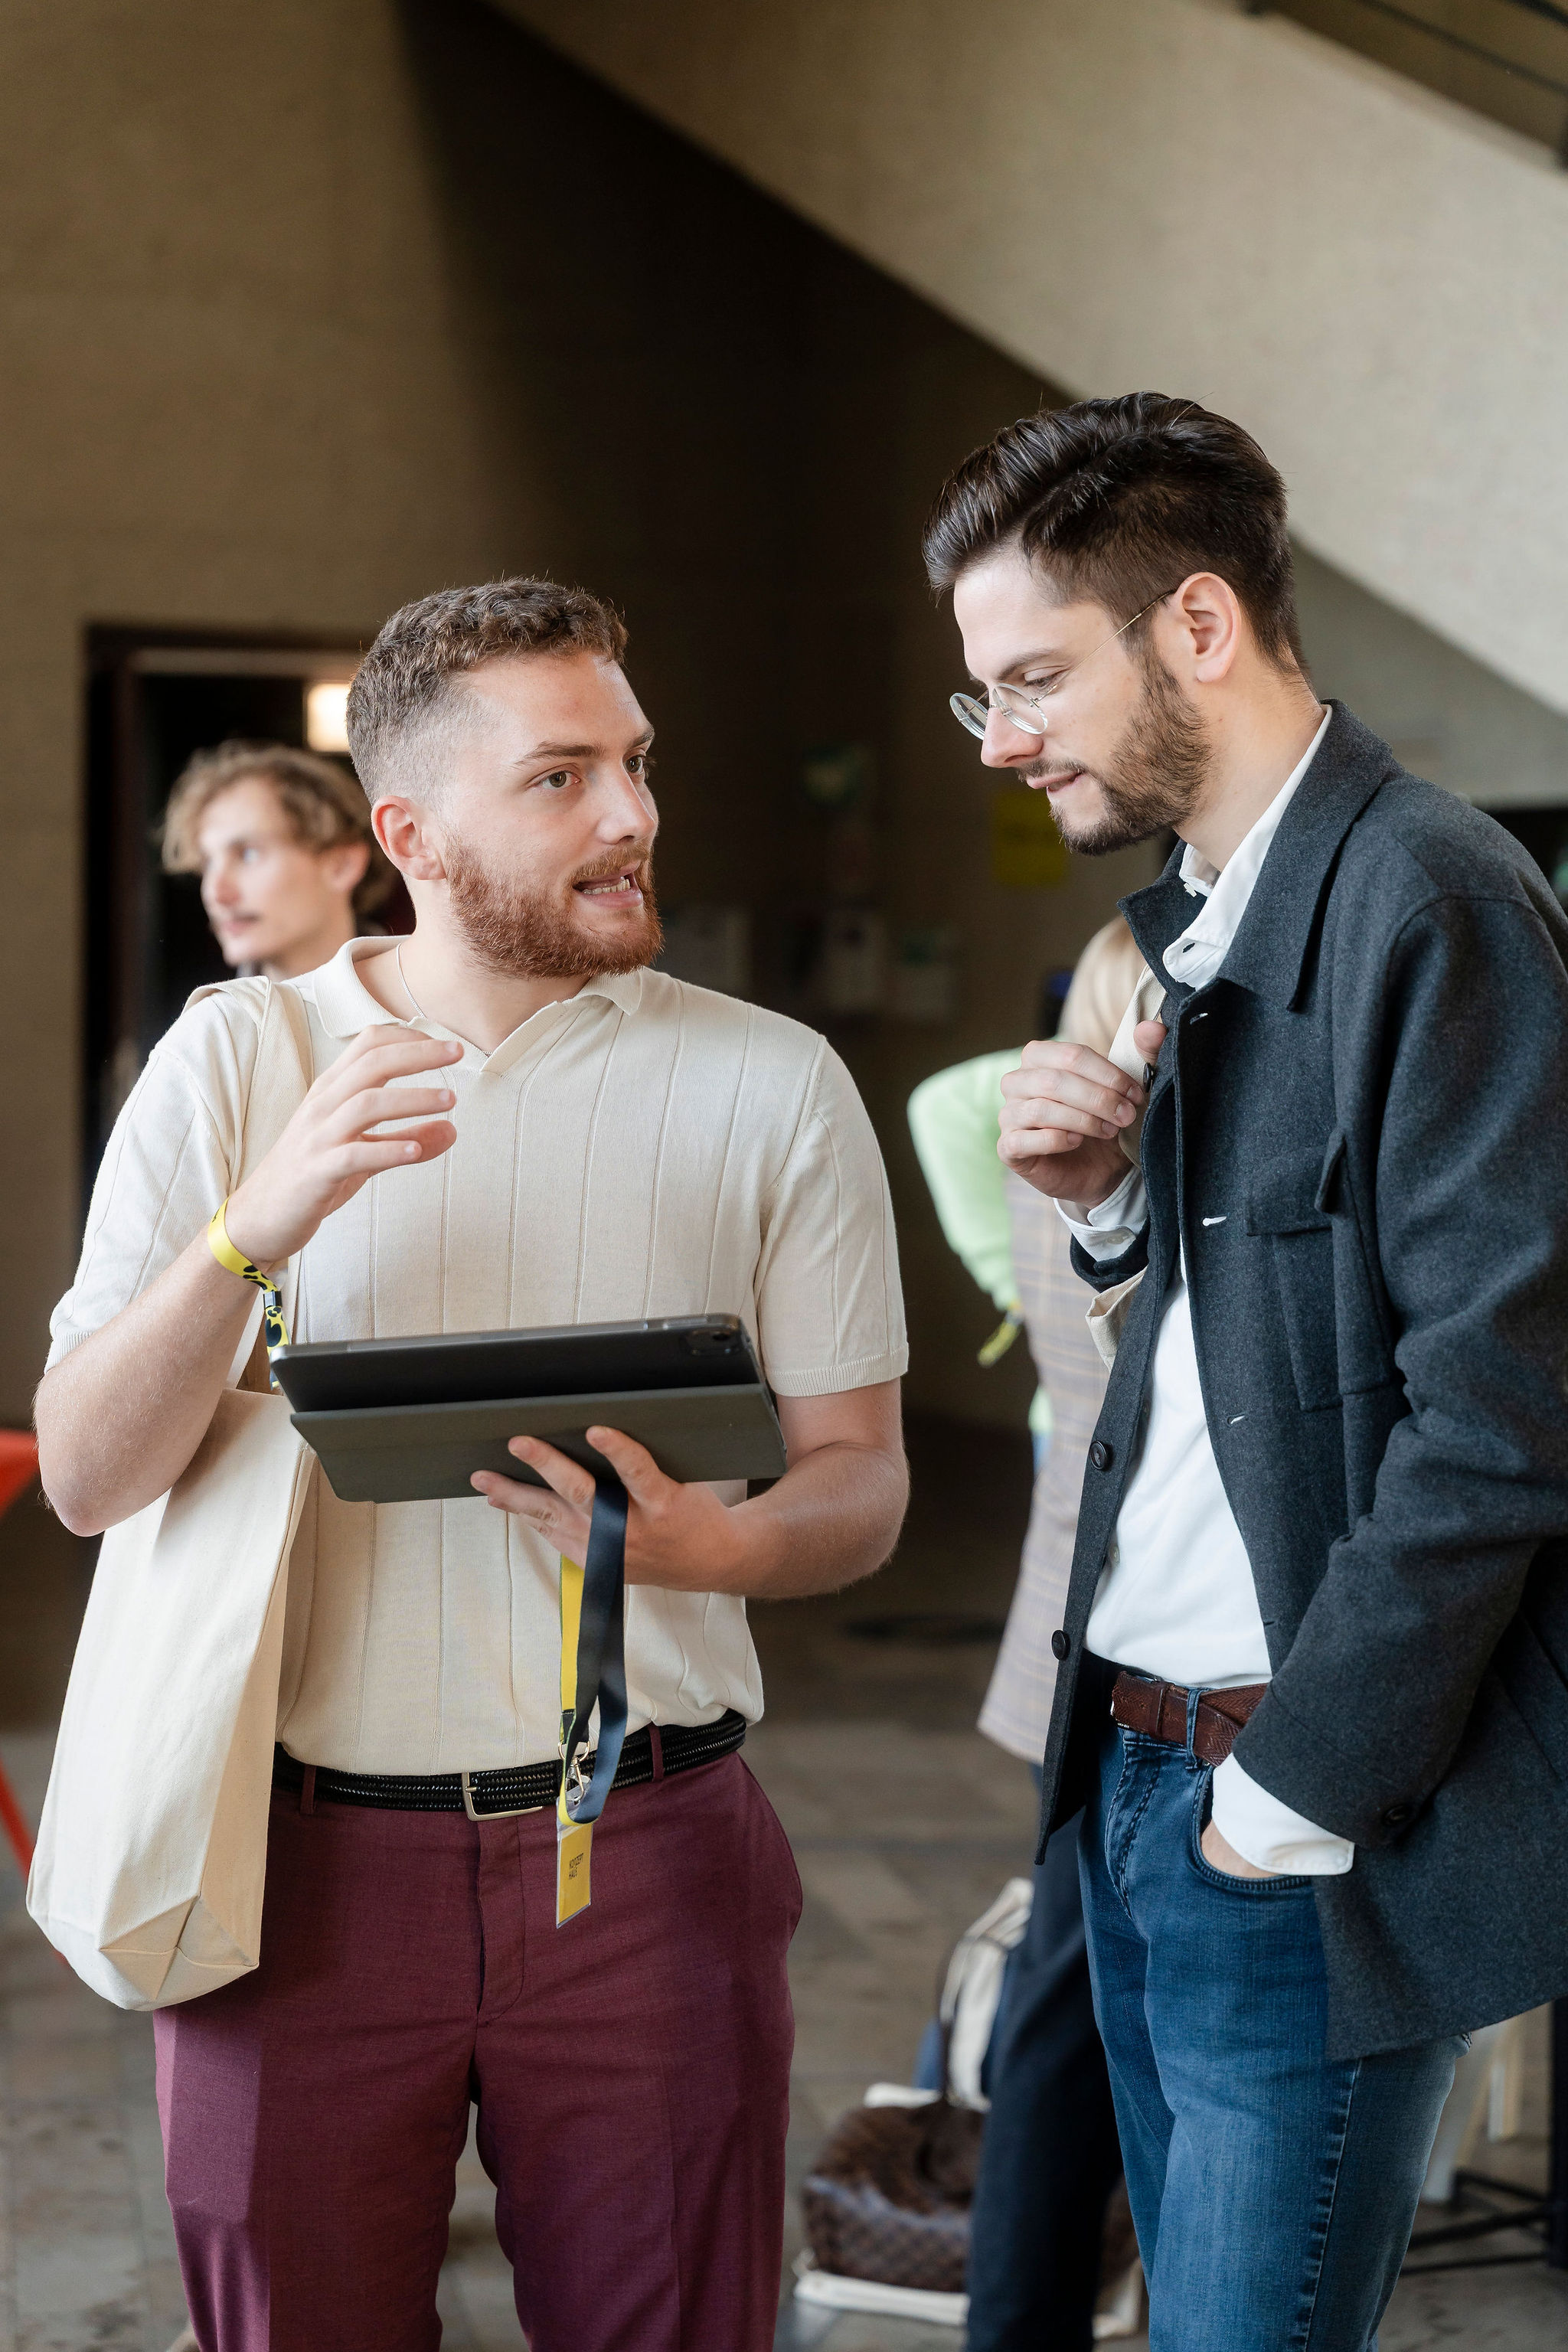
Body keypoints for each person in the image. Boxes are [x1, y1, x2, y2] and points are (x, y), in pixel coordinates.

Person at [36, 579, 910, 2352]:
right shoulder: (230, 1058)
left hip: (648, 1853)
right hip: (284, 1872)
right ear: (412, 833)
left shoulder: (774, 1082)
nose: (632, 815)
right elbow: (82, 1472)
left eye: (637, 764)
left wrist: (700, 1549)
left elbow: (861, 1480)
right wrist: (254, 1223)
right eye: (565, 775)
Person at [922, 393, 1568, 2350]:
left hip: (1281, 1817)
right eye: (980, 694)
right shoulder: (1205, 915)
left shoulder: (1427, 898)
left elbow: (1506, 1415)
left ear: (1195, 625)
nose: (1005, 735)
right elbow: (1250, 1360)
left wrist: (1286, 1796)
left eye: (1032, 676)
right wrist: (1114, 1208)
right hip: (1131, 1777)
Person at [908, 919, 1140, 2351]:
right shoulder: (1116, 1183)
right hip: (1117, 1643)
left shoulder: (1049, 1191)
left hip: (1065, 1636)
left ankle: (1029, 2303)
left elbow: (945, 1102)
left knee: (1064, 1999)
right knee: (1080, 2001)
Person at [161, 738, 397, 978]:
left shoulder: (427, 1008)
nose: (215, 894)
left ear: (342, 865)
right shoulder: (204, 1016)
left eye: (248, 854)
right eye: (207, 863)